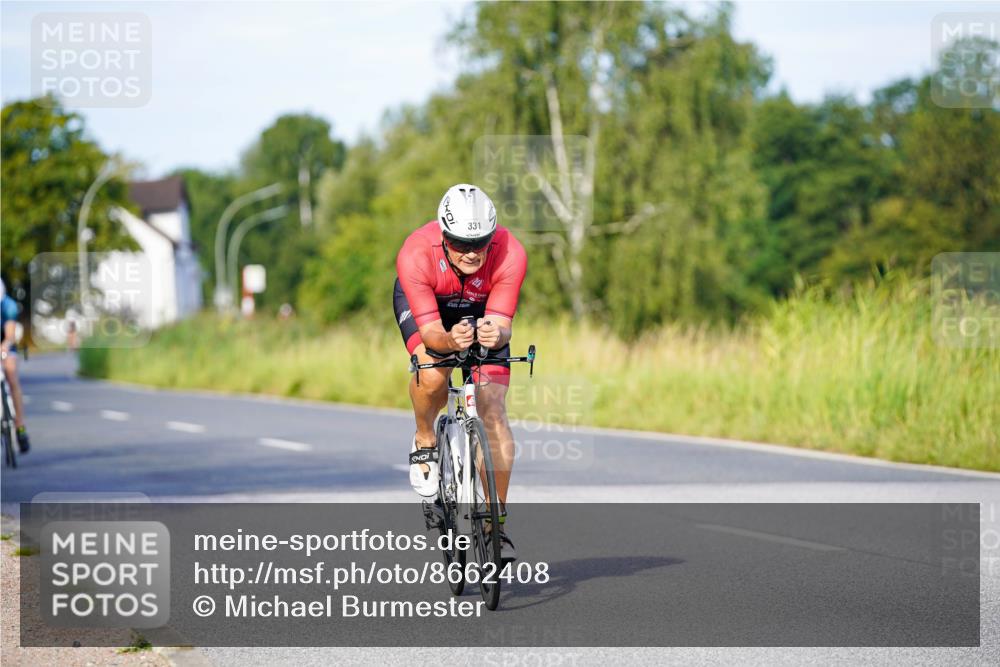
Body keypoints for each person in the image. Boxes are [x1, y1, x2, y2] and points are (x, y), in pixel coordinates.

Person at [394, 183, 527, 561]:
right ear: (443, 235)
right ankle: (424, 439)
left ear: (492, 236)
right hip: (431, 311)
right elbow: (432, 334)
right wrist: (450, 343)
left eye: (480, 243)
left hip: (481, 309)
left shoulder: (510, 252)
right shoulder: (416, 253)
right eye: (460, 244)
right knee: (433, 374)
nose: (471, 253)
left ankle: (494, 521)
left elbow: (503, 323)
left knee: (493, 410)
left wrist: (495, 332)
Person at [0, 279, 30, 453]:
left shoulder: (8, 305)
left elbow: (9, 334)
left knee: (11, 376)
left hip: (4, 343)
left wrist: (4, 348)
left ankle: (20, 426)